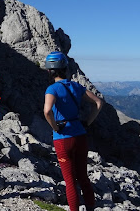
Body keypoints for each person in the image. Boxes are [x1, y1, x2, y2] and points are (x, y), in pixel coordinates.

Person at [43, 51, 104, 211]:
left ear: (49, 70)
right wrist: (87, 122)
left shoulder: (52, 89)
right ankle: (90, 207)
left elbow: (47, 111)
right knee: (83, 177)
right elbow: (98, 103)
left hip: (63, 138)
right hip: (80, 134)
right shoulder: (76, 86)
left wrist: (56, 127)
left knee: (70, 181)